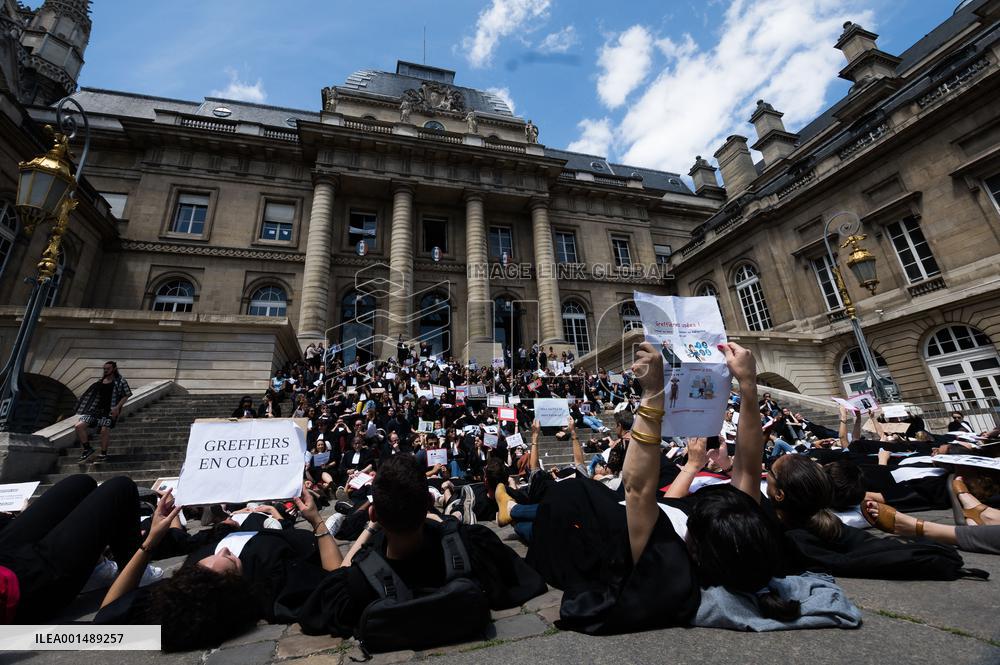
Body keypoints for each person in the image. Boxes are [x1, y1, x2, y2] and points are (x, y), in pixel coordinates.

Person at [295, 454, 547, 644]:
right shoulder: (470, 547)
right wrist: (443, 522)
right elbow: (527, 578)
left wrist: (320, 521)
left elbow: (336, 574)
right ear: (428, 504)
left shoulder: (359, 580)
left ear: (374, 513)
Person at [96, 487, 341, 651]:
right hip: (271, 526)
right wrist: (317, 521)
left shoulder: (184, 592)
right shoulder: (272, 577)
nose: (222, 551)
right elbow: (336, 579)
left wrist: (151, 541)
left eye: (202, 564)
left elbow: (107, 615)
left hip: (229, 525)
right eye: (229, 560)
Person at [0, 475, 144, 622]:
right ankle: (135, 570)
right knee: (121, 488)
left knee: (81, 483)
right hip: (21, 587)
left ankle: (94, 569)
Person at [74, 361, 132, 463]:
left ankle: (103, 454)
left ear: (114, 369)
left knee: (104, 430)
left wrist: (117, 407)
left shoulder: (120, 381)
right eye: (104, 369)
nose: (105, 370)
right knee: (79, 426)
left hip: (110, 410)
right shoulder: (100, 381)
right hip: (95, 410)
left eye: (108, 369)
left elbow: (126, 394)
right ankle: (87, 449)